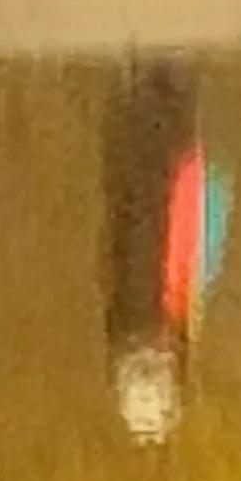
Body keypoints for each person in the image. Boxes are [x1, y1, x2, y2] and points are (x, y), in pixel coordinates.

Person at [99, 60, 230, 445]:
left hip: (152, 218)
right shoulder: (174, 324)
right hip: (158, 217)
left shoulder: (156, 324)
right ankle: (158, 83)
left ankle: (153, 84)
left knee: (146, 178)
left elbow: (125, 253)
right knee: (151, 172)